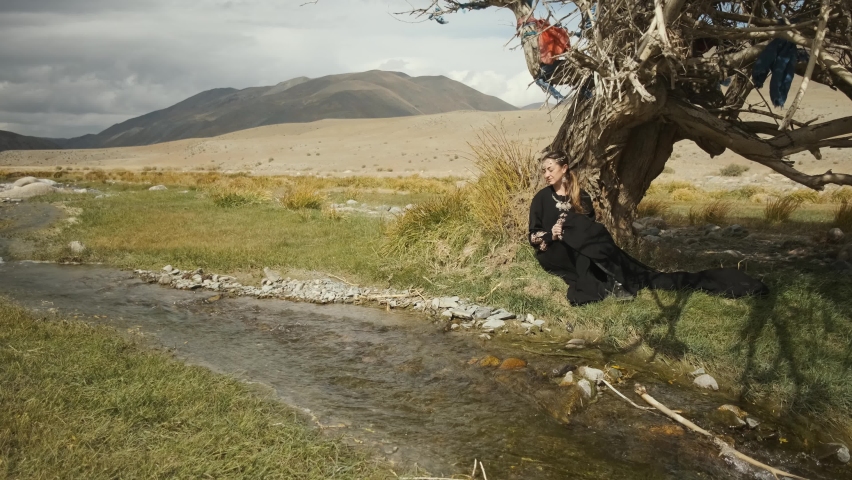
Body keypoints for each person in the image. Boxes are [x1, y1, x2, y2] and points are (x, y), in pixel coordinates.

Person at [528, 151, 769, 306]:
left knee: (577, 223)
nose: (546, 174)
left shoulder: (583, 197)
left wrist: (568, 223)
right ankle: (611, 280)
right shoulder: (541, 198)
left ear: (564, 168)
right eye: (544, 171)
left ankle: (615, 279)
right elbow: (533, 236)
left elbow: (588, 230)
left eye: (550, 169)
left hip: (585, 249)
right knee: (571, 224)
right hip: (555, 251)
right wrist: (553, 233)